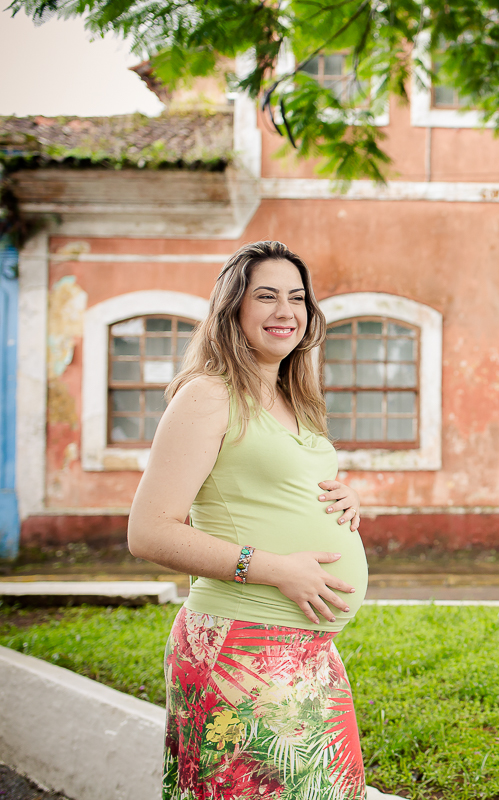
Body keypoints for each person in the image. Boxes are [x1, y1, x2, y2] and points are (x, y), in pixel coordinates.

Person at [128, 241, 370, 800]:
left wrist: (342, 502)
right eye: (266, 296)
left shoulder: (292, 398)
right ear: (232, 309)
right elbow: (149, 530)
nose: (285, 311)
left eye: (297, 298)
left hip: (309, 651)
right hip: (241, 648)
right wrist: (275, 569)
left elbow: (268, 486)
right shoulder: (208, 396)